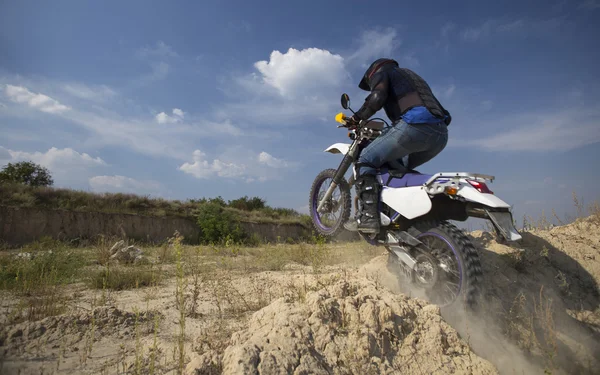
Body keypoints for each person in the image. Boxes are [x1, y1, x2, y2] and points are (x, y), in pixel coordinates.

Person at [343, 58, 451, 234]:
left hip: (413, 126)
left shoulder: (383, 73)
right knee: (399, 169)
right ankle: (404, 218)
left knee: (365, 160)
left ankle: (368, 218)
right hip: (440, 135)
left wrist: (357, 118)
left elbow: (377, 97)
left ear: (372, 72)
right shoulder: (413, 78)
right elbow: (444, 113)